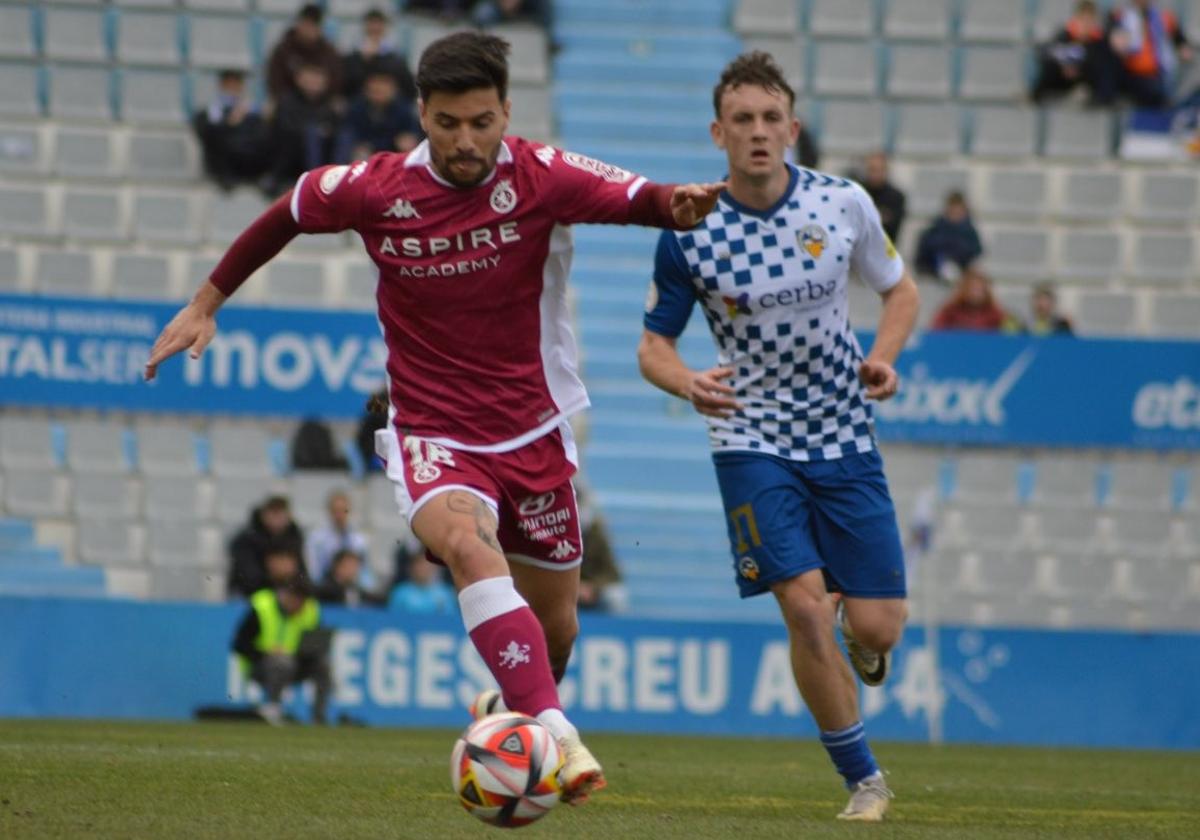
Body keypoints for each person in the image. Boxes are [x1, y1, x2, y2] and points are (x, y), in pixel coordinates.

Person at [143, 31, 723, 805]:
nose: (464, 139)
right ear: (422, 113)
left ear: (505, 113)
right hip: (434, 433)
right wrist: (205, 301)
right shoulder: (376, 189)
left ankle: (514, 705)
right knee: (469, 549)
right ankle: (561, 737)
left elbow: (639, 197)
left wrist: (673, 206)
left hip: (535, 434)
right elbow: (287, 211)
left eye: (481, 121)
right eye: (447, 122)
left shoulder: (542, 175)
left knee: (557, 635)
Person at [638, 52, 920, 822]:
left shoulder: (843, 203)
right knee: (801, 606)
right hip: (750, 435)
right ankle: (865, 782)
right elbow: (652, 345)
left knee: (875, 623)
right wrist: (687, 380)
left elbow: (900, 291)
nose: (758, 133)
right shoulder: (689, 230)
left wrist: (884, 359)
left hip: (842, 431)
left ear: (791, 130)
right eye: (742, 121)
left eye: (770, 120)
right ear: (718, 133)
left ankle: (861, 640)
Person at [232, 574, 331, 725]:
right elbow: (239, 644)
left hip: (296, 662)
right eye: (297, 600)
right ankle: (273, 710)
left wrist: (313, 651)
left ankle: (319, 717)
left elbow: (313, 643)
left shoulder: (310, 609)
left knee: (323, 664)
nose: (301, 606)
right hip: (260, 666)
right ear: (285, 594)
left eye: (303, 601)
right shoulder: (262, 606)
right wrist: (266, 652)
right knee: (282, 662)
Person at [1096, 0, 1193, 108]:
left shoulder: (1163, 16)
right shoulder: (1121, 16)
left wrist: (1184, 48)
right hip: (1130, 71)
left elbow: (1179, 39)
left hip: (1158, 73)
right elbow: (1111, 36)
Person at [265, 63, 341, 196]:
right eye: (310, 79)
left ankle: (339, 180)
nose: (314, 83)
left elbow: (334, 129)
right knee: (310, 135)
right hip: (292, 160)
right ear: (299, 79)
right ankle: (312, 181)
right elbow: (285, 130)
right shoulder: (287, 101)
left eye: (318, 79)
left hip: (324, 156)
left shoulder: (330, 105)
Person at [192, 69, 269, 191]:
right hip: (222, 167)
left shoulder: (252, 112)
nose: (233, 88)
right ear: (221, 86)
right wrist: (229, 123)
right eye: (229, 84)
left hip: (249, 163)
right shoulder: (210, 112)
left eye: (237, 84)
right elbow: (206, 135)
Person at [227, 495, 306, 598]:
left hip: (287, 593)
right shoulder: (246, 540)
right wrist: (274, 574)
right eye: (273, 514)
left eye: (281, 514)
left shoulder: (295, 538)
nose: (277, 520)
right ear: (263, 514)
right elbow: (247, 574)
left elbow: (302, 572)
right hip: (248, 592)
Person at [335, 70, 423, 161]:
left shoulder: (404, 109)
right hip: (362, 153)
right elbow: (351, 131)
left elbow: (412, 133)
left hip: (393, 154)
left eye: (384, 83)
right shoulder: (357, 107)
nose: (379, 87)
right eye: (375, 84)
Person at [1031, 1, 1106, 104]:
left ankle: (1092, 98)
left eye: (1089, 21)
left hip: (1086, 79)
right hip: (1064, 78)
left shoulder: (1099, 41)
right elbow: (1046, 53)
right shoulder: (1064, 36)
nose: (1085, 25)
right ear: (1076, 19)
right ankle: (1036, 97)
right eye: (1082, 20)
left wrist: (1078, 68)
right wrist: (1065, 66)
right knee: (1049, 65)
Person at [265, 3, 342, 104]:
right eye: (306, 24)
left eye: (313, 25)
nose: (309, 29)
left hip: (321, 105)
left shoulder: (329, 52)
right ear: (298, 23)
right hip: (289, 105)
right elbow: (274, 80)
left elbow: (337, 80)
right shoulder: (283, 49)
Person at [341, 7, 417, 102]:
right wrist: (364, 61)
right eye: (371, 24)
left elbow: (409, 89)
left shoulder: (396, 57)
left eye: (379, 24)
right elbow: (347, 87)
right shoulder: (353, 56)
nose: (375, 28)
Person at [913, 191, 983, 283]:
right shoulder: (934, 229)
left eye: (958, 211)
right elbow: (922, 254)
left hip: (962, 279)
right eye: (953, 210)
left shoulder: (970, 233)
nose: (955, 214)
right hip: (933, 277)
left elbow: (976, 253)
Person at [305, 489, 371, 583]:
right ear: (329, 511)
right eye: (335, 510)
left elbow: (365, 571)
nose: (339, 515)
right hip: (326, 587)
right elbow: (314, 571)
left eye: (343, 510)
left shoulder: (359, 540)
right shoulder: (317, 539)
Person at [928, 264, 1016, 332]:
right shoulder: (949, 311)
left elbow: (1010, 336)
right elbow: (935, 333)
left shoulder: (997, 314)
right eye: (972, 288)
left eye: (979, 289)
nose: (976, 293)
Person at [855, 151, 906, 243]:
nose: (875, 175)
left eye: (880, 170)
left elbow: (891, 230)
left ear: (886, 170)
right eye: (872, 170)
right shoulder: (857, 193)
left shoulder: (896, 197)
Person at [389, 547, 457, 614]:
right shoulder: (401, 593)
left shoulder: (446, 593)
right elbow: (392, 619)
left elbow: (451, 619)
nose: (423, 568)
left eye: (427, 563)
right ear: (411, 567)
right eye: (419, 564)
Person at [315, 549, 386, 607]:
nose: (354, 570)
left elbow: (370, 597)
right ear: (338, 566)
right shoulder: (323, 589)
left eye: (356, 566)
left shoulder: (353, 588)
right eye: (350, 565)